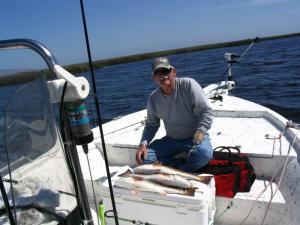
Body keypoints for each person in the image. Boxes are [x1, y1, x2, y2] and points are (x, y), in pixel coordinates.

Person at [135, 57, 214, 172]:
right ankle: (180, 168)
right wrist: (143, 144)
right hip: (171, 141)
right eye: (158, 73)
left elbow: (206, 111)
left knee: (205, 154)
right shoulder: (153, 98)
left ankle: (176, 170)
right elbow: (152, 125)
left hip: (194, 138)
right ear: (154, 78)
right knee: (143, 157)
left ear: (173, 71)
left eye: (166, 71)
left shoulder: (189, 84)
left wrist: (201, 130)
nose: (163, 76)